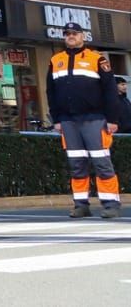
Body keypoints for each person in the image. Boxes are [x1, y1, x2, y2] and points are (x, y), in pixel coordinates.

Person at [47, 22, 121, 218]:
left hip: (94, 119)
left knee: (101, 162)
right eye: (67, 34)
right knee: (76, 163)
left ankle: (110, 204)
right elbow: (51, 93)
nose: (70, 36)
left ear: (83, 36)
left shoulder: (97, 59)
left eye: (74, 33)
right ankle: (81, 204)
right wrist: (56, 119)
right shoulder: (56, 60)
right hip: (68, 121)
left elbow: (110, 91)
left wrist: (112, 119)